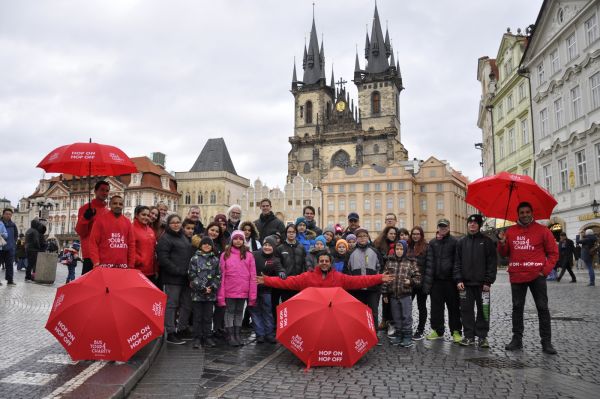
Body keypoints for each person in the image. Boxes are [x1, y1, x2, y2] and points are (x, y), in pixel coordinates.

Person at [498, 202, 559, 354]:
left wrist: (544, 271)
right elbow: (504, 253)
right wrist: (502, 242)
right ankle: (517, 340)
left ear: (532, 213)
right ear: (518, 214)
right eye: (522, 212)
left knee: (542, 308)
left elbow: (553, 253)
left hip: (537, 276)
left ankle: (546, 342)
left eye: (527, 212)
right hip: (517, 275)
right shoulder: (510, 231)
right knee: (517, 308)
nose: (525, 215)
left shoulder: (543, 231)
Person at [454, 214, 497, 348]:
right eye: (470, 223)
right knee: (466, 311)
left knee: (483, 310)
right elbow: (457, 263)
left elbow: (492, 263)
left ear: (479, 225)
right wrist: (458, 279)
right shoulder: (461, 242)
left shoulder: (487, 242)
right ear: (467, 225)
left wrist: (488, 282)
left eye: (475, 223)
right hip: (465, 285)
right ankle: (469, 336)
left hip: (482, 285)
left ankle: (482, 337)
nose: (472, 225)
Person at [257, 252, 394, 289]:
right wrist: (267, 280)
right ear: (318, 262)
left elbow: (359, 280)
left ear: (330, 263)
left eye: (326, 261)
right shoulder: (307, 277)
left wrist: (379, 278)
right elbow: (288, 282)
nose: (324, 263)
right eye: (321, 261)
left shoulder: (339, 277)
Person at [423, 218, 462, 343]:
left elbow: (458, 261)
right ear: (438, 228)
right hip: (436, 281)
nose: (442, 228)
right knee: (436, 308)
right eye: (440, 226)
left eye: (445, 226)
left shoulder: (455, 242)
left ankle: (456, 331)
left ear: (449, 228)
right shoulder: (433, 243)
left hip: (451, 281)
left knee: (454, 307)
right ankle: (437, 330)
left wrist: (458, 279)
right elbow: (429, 263)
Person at [157, 214, 194, 345]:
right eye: (173, 223)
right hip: (172, 278)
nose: (176, 224)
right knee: (171, 306)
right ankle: (170, 332)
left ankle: (182, 328)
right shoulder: (165, 238)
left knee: (186, 305)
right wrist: (177, 271)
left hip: (185, 277)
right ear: (168, 224)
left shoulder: (184, 237)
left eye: (178, 222)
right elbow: (163, 259)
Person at [217, 230, 257, 347]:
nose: (238, 241)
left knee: (239, 312)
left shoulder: (249, 255)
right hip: (230, 290)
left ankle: (237, 334)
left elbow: (253, 275)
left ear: (243, 241)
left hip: (243, 290)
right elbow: (222, 275)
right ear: (232, 240)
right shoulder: (225, 255)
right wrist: (221, 293)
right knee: (229, 312)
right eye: (236, 238)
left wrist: (252, 293)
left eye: (240, 239)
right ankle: (230, 335)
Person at [382, 240, 421, 347]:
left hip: (405, 294)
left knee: (406, 316)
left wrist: (411, 282)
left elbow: (418, 277)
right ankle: (398, 335)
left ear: (405, 250)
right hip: (393, 295)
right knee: (396, 316)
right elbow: (385, 278)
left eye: (401, 249)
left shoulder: (410, 262)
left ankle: (407, 336)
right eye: (397, 249)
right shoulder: (389, 262)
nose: (399, 251)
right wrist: (385, 294)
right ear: (394, 250)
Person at [344, 228, 384, 328]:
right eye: (360, 236)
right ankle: (359, 333)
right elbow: (346, 270)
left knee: (373, 312)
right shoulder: (350, 253)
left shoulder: (374, 251)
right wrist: (351, 285)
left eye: (364, 236)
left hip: (372, 289)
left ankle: (374, 333)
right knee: (358, 313)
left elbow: (381, 268)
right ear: (356, 238)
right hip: (357, 290)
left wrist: (377, 283)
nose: (362, 238)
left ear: (368, 238)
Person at [251, 236, 285, 344]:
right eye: (265, 245)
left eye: (270, 245)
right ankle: (260, 334)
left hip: (266, 290)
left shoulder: (275, 260)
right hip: (253, 289)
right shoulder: (254, 255)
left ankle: (269, 334)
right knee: (255, 312)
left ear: (274, 247)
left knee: (267, 312)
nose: (267, 247)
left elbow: (280, 269)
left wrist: (282, 273)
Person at [188, 236, 221, 349]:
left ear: (212, 246)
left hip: (210, 294)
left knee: (208, 316)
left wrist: (212, 287)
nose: (206, 246)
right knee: (197, 317)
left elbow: (218, 275)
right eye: (204, 244)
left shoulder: (215, 260)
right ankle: (197, 337)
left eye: (209, 244)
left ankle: (207, 336)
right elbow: (192, 275)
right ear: (201, 245)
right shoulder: (194, 259)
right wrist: (201, 287)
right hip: (197, 294)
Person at [88, 195, 135, 269]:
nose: (118, 206)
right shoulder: (100, 220)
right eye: (115, 203)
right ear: (110, 204)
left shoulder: (127, 222)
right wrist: (96, 262)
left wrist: (131, 264)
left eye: (120, 204)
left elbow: (131, 244)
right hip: (103, 265)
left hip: (123, 266)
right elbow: (93, 242)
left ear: (123, 206)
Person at [75, 181, 110, 275]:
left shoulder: (108, 212)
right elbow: (80, 232)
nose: (105, 193)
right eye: (102, 190)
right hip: (90, 253)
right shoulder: (85, 208)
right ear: (95, 191)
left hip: (104, 253)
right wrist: (85, 218)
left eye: (107, 191)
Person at [373, 225, 398, 333]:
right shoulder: (379, 244)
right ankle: (384, 320)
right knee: (384, 299)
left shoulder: (397, 245)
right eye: (391, 233)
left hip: (394, 276)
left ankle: (391, 322)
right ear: (386, 234)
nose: (393, 235)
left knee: (391, 300)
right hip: (382, 275)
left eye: (394, 234)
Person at [276, 224, 307, 303]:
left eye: (293, 232)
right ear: (286, 233)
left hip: (298, 283)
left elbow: (305, 263)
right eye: (289, 232)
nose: (291, 233)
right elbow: (277, 264)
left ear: (296, 233)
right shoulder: (280, 248)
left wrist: (303, 276)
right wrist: (281, 272)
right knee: (286, 306)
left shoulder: (301, 247)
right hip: (286, 282)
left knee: (298, 306)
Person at [407, 226, 429, 340]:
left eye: (417, 234)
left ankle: (420, 330)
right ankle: (407, 328)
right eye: (413, 234)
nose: (415, 236)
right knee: (407, 306)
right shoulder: (408, 246)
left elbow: (428, 266)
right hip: (409, 282)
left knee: (421, 307)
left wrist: (426, 283)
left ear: (421, 235)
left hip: (421, 283)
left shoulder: (426, 247)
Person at [132, 205, 157, 283]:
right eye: (143, 215)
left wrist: (155, 268)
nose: (146, 217)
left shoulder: (150, 230)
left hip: (151, 270)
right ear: (136, 215)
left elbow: (153, 249)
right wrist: (140, 261)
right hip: (138, 270)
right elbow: (130, 249)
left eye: (148, 215)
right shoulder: (131, 228)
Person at [0, 208, 18, 285]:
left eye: (10, 214)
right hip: (0, 247)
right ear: (3, 214)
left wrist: (13, 242)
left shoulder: (13, 225)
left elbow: (16, 235)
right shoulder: (0, 223)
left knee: (10, 264)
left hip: (10, 248)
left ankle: (10, 280)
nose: (8, 215)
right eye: (6, 214)